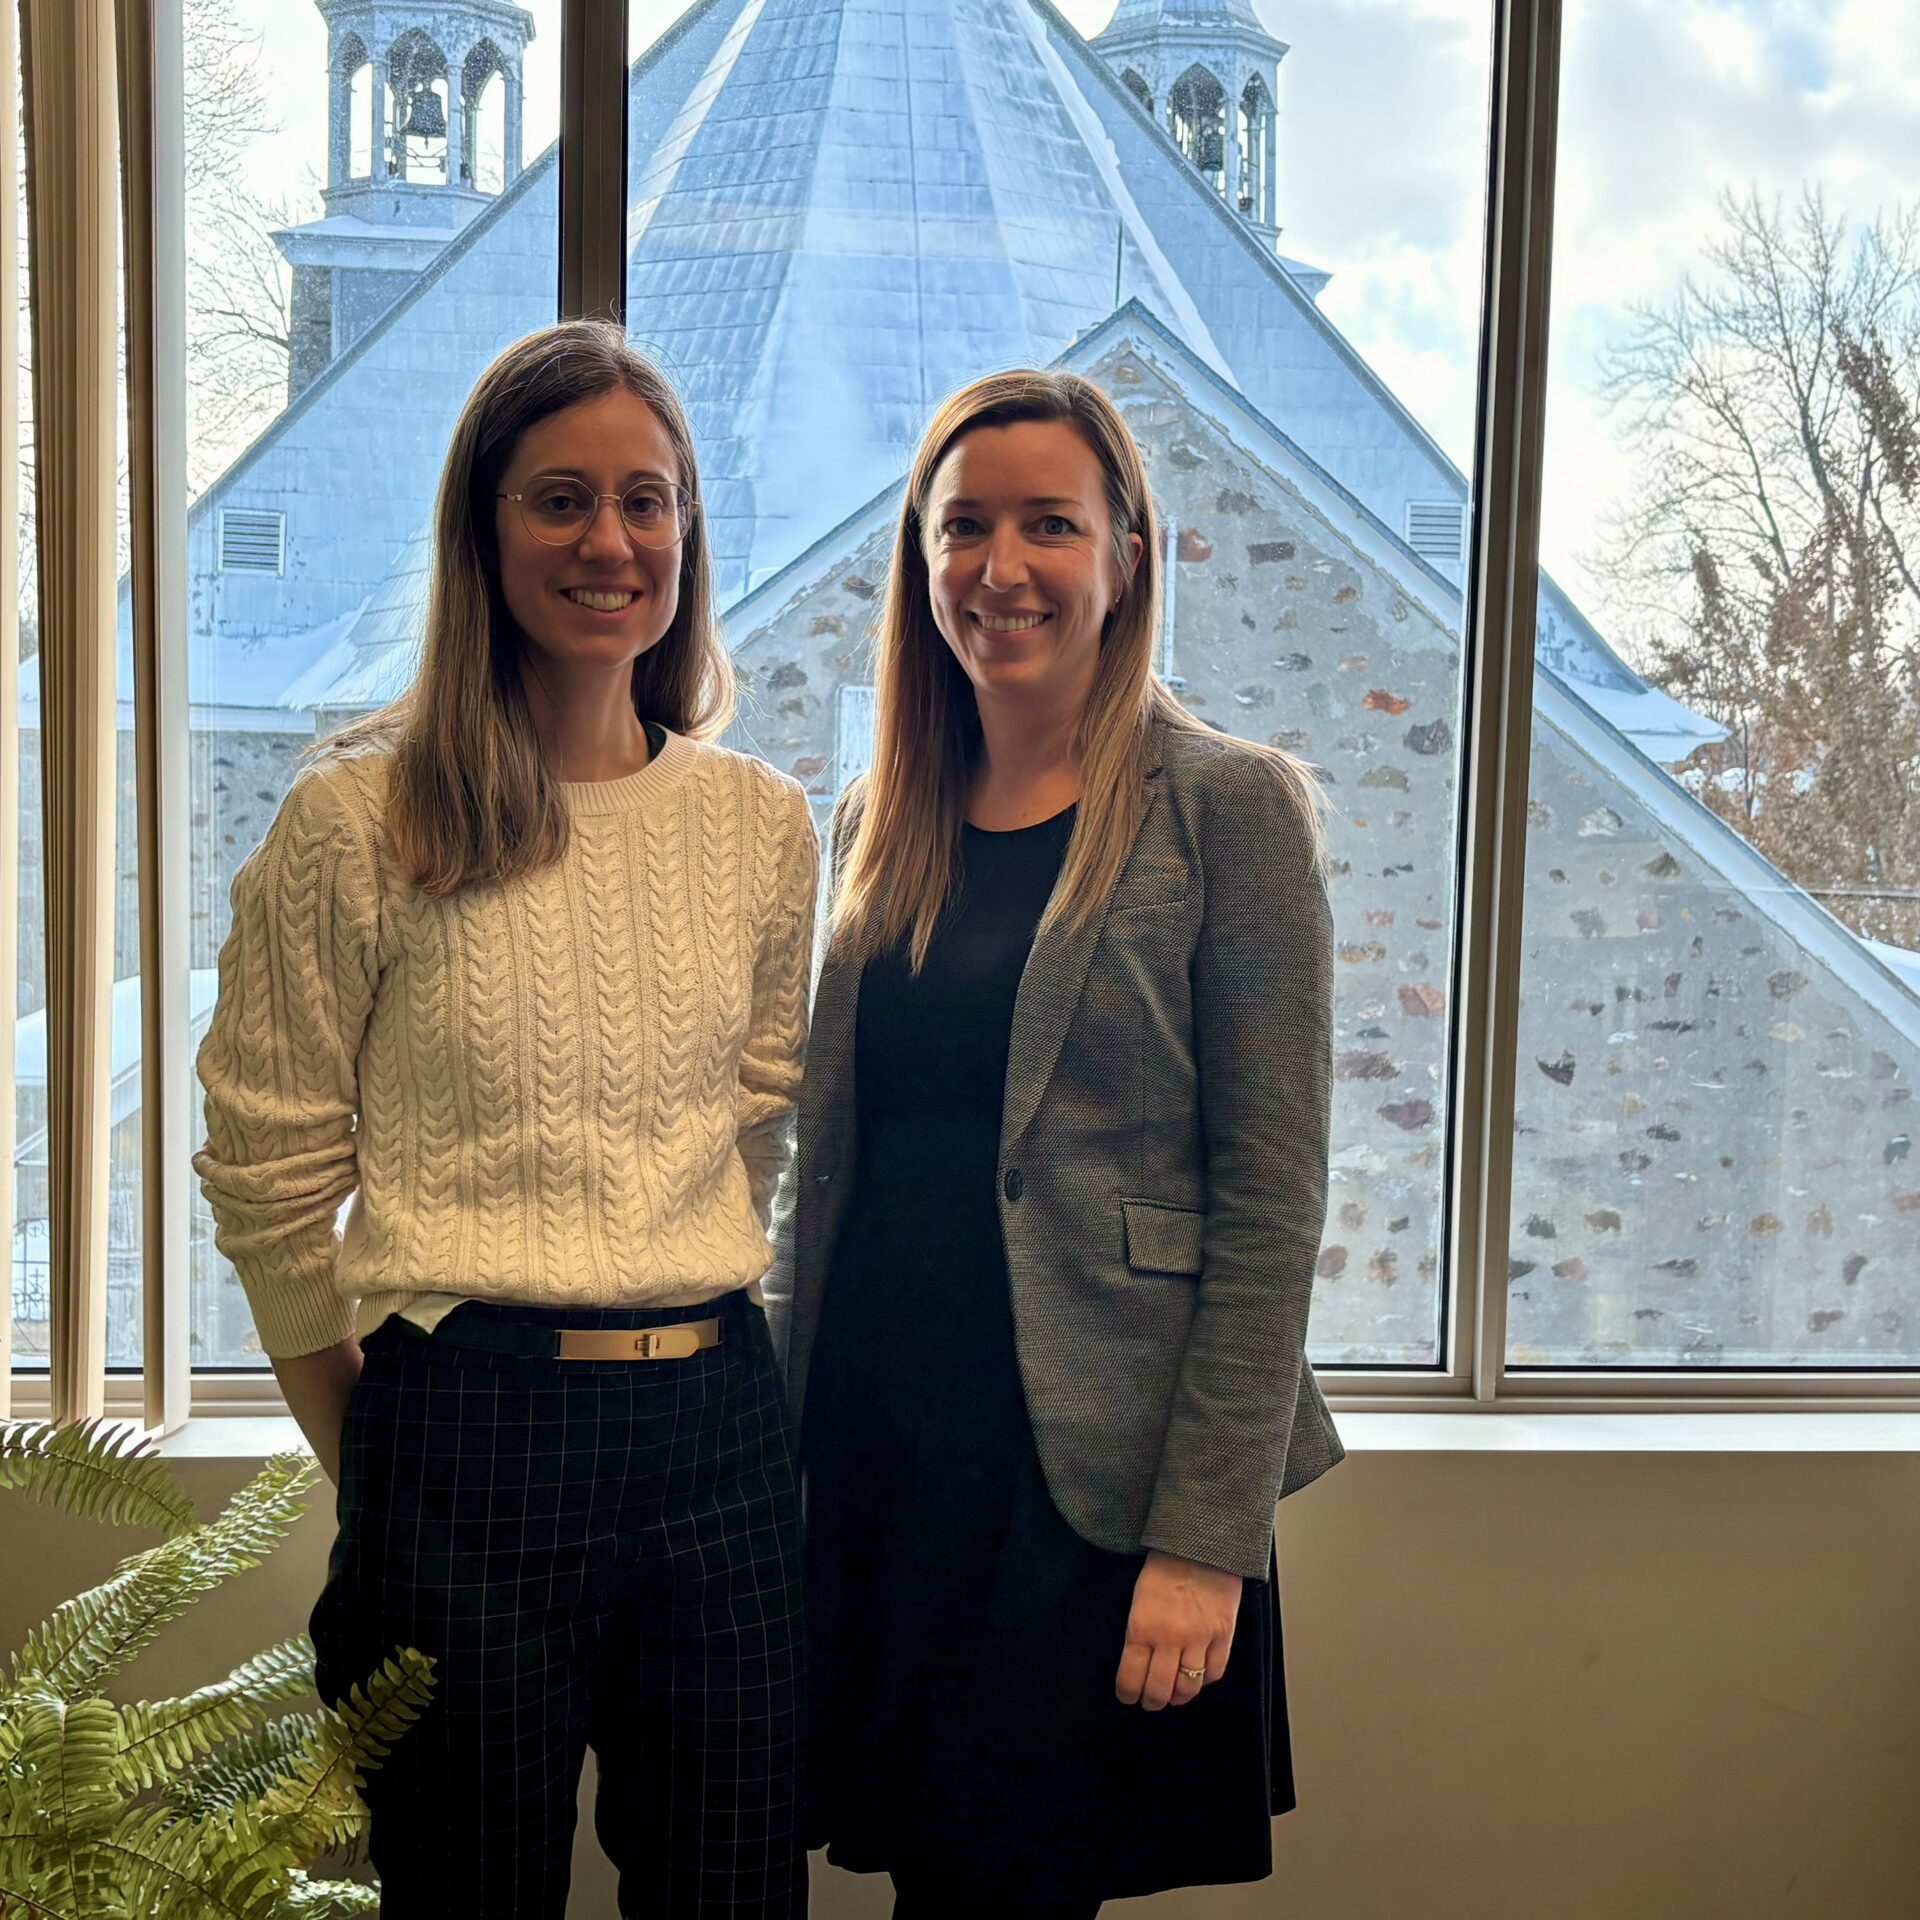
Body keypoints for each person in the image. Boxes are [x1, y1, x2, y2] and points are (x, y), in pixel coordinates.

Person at [194, 320, 817, 1920]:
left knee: (737, 1894)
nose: (609, 541)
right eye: (558, 499)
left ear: (686, 531)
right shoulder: (358, 819)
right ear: (482, 531)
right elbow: (267, 1176)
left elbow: (754, 1124)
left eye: (647, 500)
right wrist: (377, 1450)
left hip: (719, 1435)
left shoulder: (758, 824)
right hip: (458, 1431)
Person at [769, 369, 1341, 1919]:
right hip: (887, 1466)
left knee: (1017, 1897)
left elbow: (1275, 1203)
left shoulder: (1229, 811)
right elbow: (827, 1176)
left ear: (1129, 552)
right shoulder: (876, 817)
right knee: (925, 1890)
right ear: (919, 553)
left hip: (1087, 1497)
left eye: (1048, 525)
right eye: (964, 526)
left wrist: (1206, 1545)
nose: (999, 567)